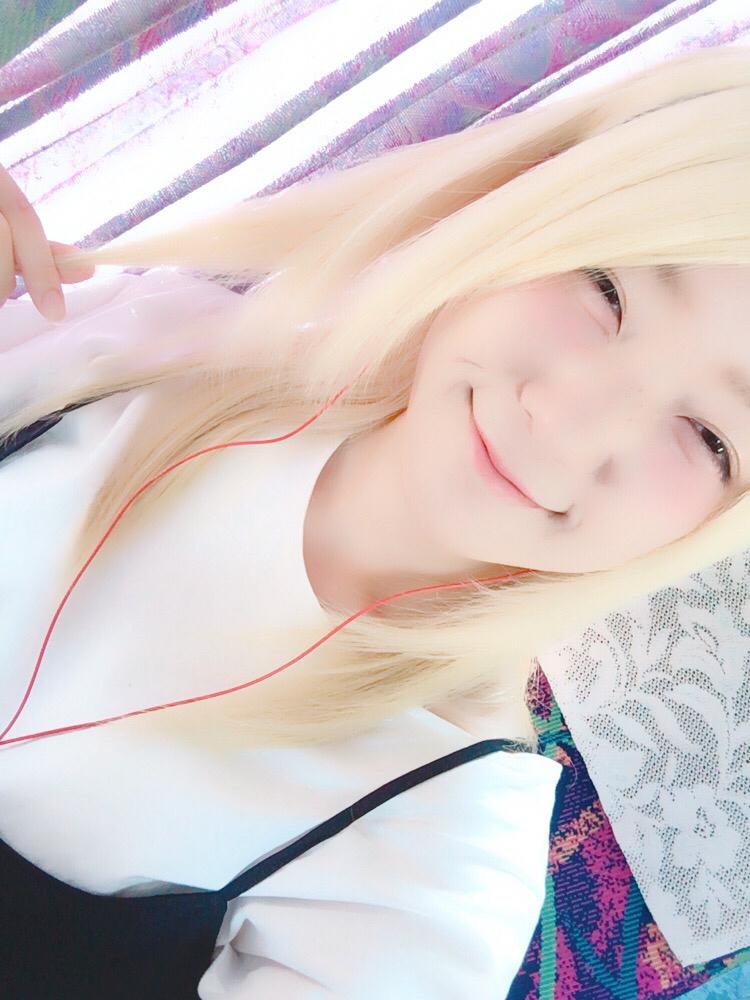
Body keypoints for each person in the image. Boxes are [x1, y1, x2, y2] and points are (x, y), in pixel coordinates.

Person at [0, 40, 748, 996]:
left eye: (709, 436)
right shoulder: (151, 345)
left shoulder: (438, 856)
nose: (569, 425)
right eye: (605, 287)